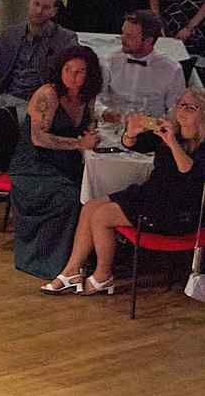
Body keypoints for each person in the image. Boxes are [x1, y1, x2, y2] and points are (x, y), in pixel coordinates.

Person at [46, 88, 205, 294]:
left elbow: (189, 172)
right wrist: (131, 133)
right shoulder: (170, 131)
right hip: (152, 196)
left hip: (179, 211)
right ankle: (71, 270)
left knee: (102, 216)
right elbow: (133, 144)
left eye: (191, 107)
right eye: (181, 105)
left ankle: (103, 276)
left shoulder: (195, 143)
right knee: (91, 206)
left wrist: (172, 143)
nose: (182, 111)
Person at [9, 44, 103, 278]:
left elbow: (88, 124)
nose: (72, 76)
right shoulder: (48, 94)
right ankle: (53, 263)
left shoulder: (86, 98)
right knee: (70, 197)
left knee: (97, 192)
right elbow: (38, 138)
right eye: (67, 69)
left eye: (79, 71)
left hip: (65, 164)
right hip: (34, 166)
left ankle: (87, 258)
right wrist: (79, 144)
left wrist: (92, 133)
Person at [105, 9, 183, 117]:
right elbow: (96, 98)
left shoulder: (172, 69)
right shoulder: (110, 60)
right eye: (123, 33)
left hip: (151, 124)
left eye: (129, 36)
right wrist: (104, 112)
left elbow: (175, 110)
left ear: (148, 41)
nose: (122, 39)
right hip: (112, 124)